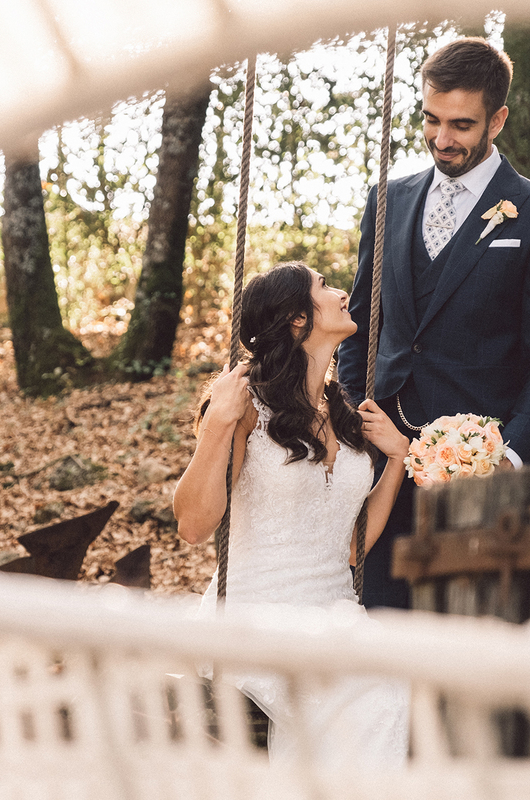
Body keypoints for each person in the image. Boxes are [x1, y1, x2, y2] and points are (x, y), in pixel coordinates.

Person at [337, 37, 530, 609]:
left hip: (477, 471)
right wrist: (351, 417)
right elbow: (357, 320)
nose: (442, 139)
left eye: (462, 125)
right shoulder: (387, 199)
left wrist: (509, 457)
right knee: (379, 619)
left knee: (466, 630)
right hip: (381, 465)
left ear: (498, 120)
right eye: (431, 119)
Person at [174, 261, 410, 767]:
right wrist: (217, 424)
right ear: (297, 319)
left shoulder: (344, 417)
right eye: (325, 287)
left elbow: (348, 547)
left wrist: (397, 458)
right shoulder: (247, 407)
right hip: (256, 616)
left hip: (336, 613)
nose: (343, 292)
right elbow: (194, 525)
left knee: (393, 683)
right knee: (361, 695)